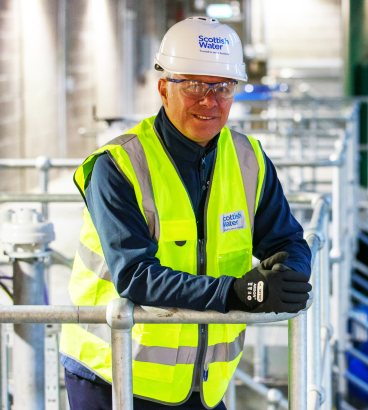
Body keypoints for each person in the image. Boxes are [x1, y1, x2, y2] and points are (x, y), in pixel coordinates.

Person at [59, 17, 312, 409]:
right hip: (115, 373)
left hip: (203, 382)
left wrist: (289, 275)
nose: (209, 101)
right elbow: (135, 275)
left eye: (223, 87)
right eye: (194, 84)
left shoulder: (250, 161)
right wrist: (236, 292)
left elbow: (286, 239)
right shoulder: (118, 166)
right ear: (164, 88)